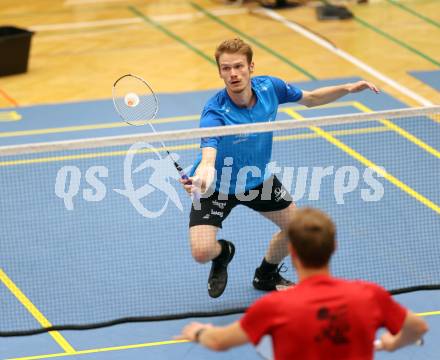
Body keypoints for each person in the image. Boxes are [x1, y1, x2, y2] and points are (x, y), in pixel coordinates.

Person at [180, 38, 379, 298]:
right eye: (226, 68)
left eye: (238, 66)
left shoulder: (270, 88)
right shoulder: (214, 112)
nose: (233, 74)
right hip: (217, 185)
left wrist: (347, 88)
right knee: (201, 253)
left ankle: (266, 274)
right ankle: (224, 253)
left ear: (251, 66)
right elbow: (208, 158)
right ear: (219, 72)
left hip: (257, 181)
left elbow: (311, 98)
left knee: (299, 230)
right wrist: (202, 178)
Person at [177, 207, 428, 359]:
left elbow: (219, 341)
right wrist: (393, 343)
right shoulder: (370, 295)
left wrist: (199, 332)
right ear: (334, 248)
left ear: (292, 252)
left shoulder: (275, 307)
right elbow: (417, 327)